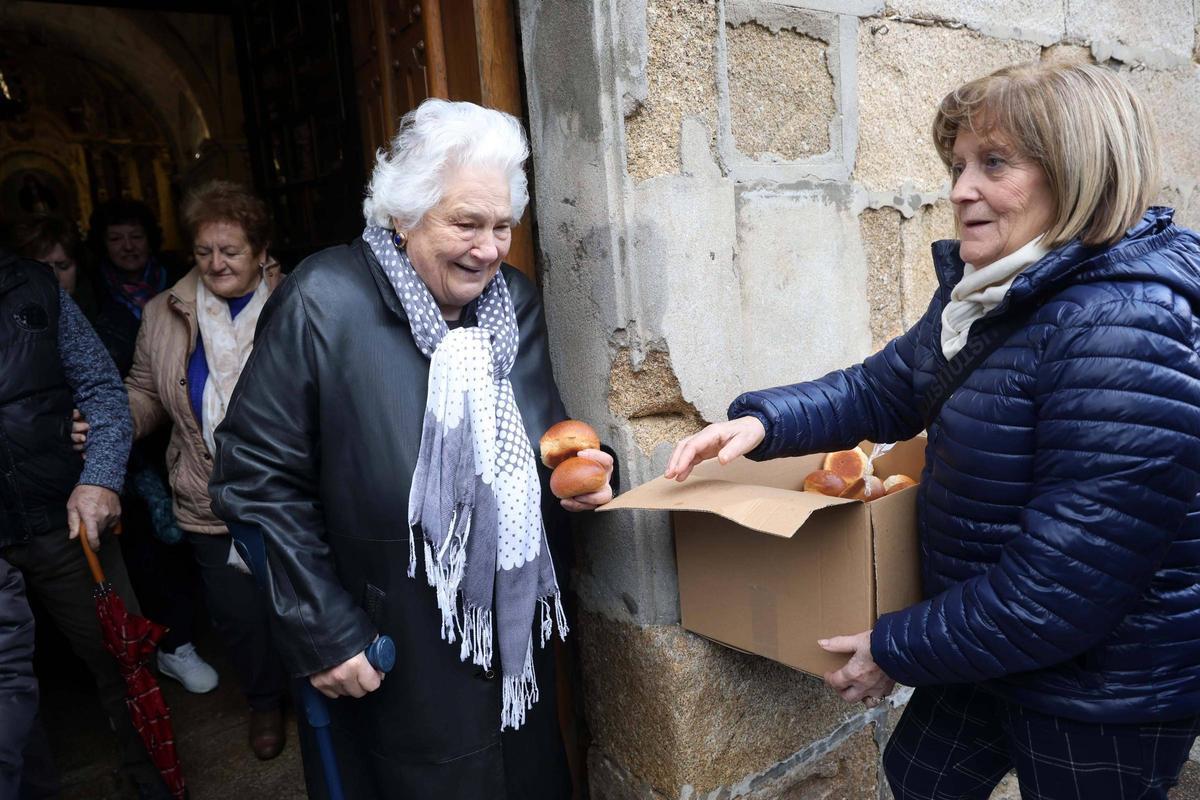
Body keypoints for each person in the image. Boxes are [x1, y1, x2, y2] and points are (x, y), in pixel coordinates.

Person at [666, 61, 1200, 800]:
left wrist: (897, 647)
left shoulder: (1124, 326)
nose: (958, 191)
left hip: (1099, 686)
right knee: (918, 776)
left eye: (994, 163)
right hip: (986, 635)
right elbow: (885, 386)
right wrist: (761, 422)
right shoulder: (995, 294)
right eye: (956, 166)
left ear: (1079, 170)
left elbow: (1062, 585)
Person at [209, 99, 614, 799]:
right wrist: (324, 629)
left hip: (513, 648)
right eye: (466, 223)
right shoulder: (322, 301)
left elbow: (536, 437)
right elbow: (252, 478)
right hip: (391, 653)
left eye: (501, 227)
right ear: (402, 214)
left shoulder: (511, 302)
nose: (489, 249)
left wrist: (582, 475)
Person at [119, 180, 289, 760]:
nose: (215, 264)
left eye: (231, 252)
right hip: (209, 497)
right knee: (241, 620)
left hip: (292, 494)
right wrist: (112, 421)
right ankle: (265, 702)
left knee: (305, 606)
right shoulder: (163, 312)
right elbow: (144, 390)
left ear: (262, 249)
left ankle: (327, 702)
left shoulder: (296, 302)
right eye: (203, 252)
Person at [0, 248, 170, 799]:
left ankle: (153, 780)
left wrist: (99, 479)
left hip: (64, 518)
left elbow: (101, 388)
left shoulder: (35, 286)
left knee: (121, 658)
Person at [80, 200, 216, 698]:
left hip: (188, 435)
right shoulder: (92, 303)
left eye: (135, 235)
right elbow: (128, 385)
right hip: (134, 447)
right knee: (152, 550)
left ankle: (215, 630)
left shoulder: (185, 285)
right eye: (116, 239)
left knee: (204, 544)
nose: (128, 246)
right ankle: (176, 644)